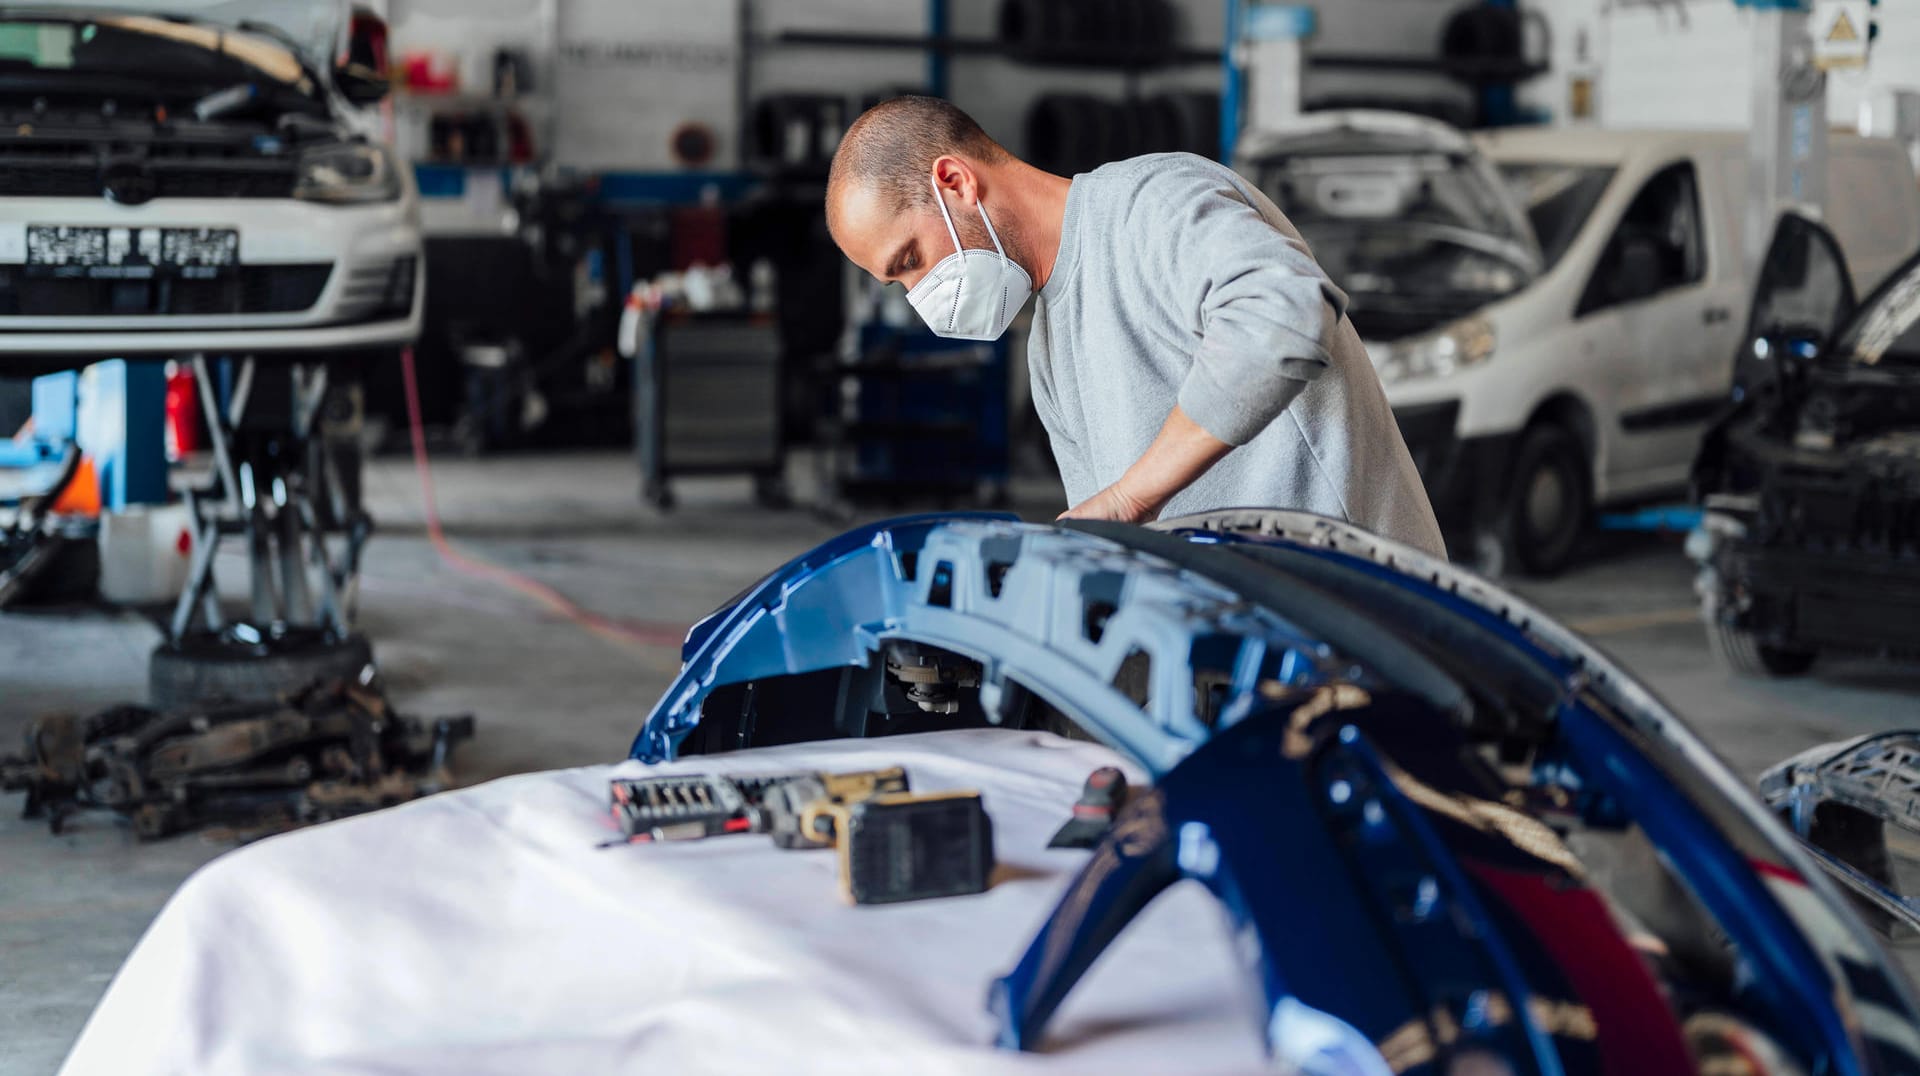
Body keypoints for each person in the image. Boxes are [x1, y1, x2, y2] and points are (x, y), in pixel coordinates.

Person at [824, 96, 1445, 558]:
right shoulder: (1048, 351)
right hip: (1258, 655)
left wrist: (1131, 495)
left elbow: (1283, 309)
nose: (918, 296)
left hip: (1367, 625)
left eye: (910, 261)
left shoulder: (1151, 205)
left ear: (955, 182)